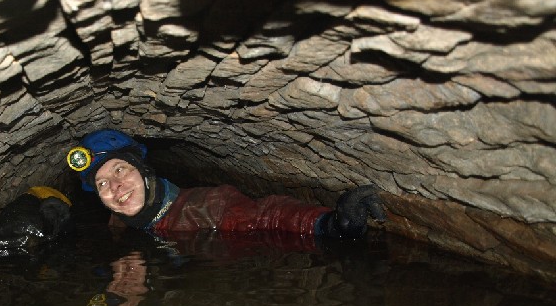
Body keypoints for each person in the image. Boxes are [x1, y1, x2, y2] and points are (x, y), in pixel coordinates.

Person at [66, 129, 385, 242]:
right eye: (102, 183)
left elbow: (267, 215)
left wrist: (330, 225)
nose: (115, 186)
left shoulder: (207, 207)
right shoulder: (121, 221)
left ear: (144, 171)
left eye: (120, 170)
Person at [0, 186, 73, 258]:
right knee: (36, 234)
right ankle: (21, 241)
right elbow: (49, 207)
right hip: (29, 216)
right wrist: (53, 232)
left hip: (15, 211)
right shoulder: (59, 201)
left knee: (2, 230)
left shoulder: (36, 191)